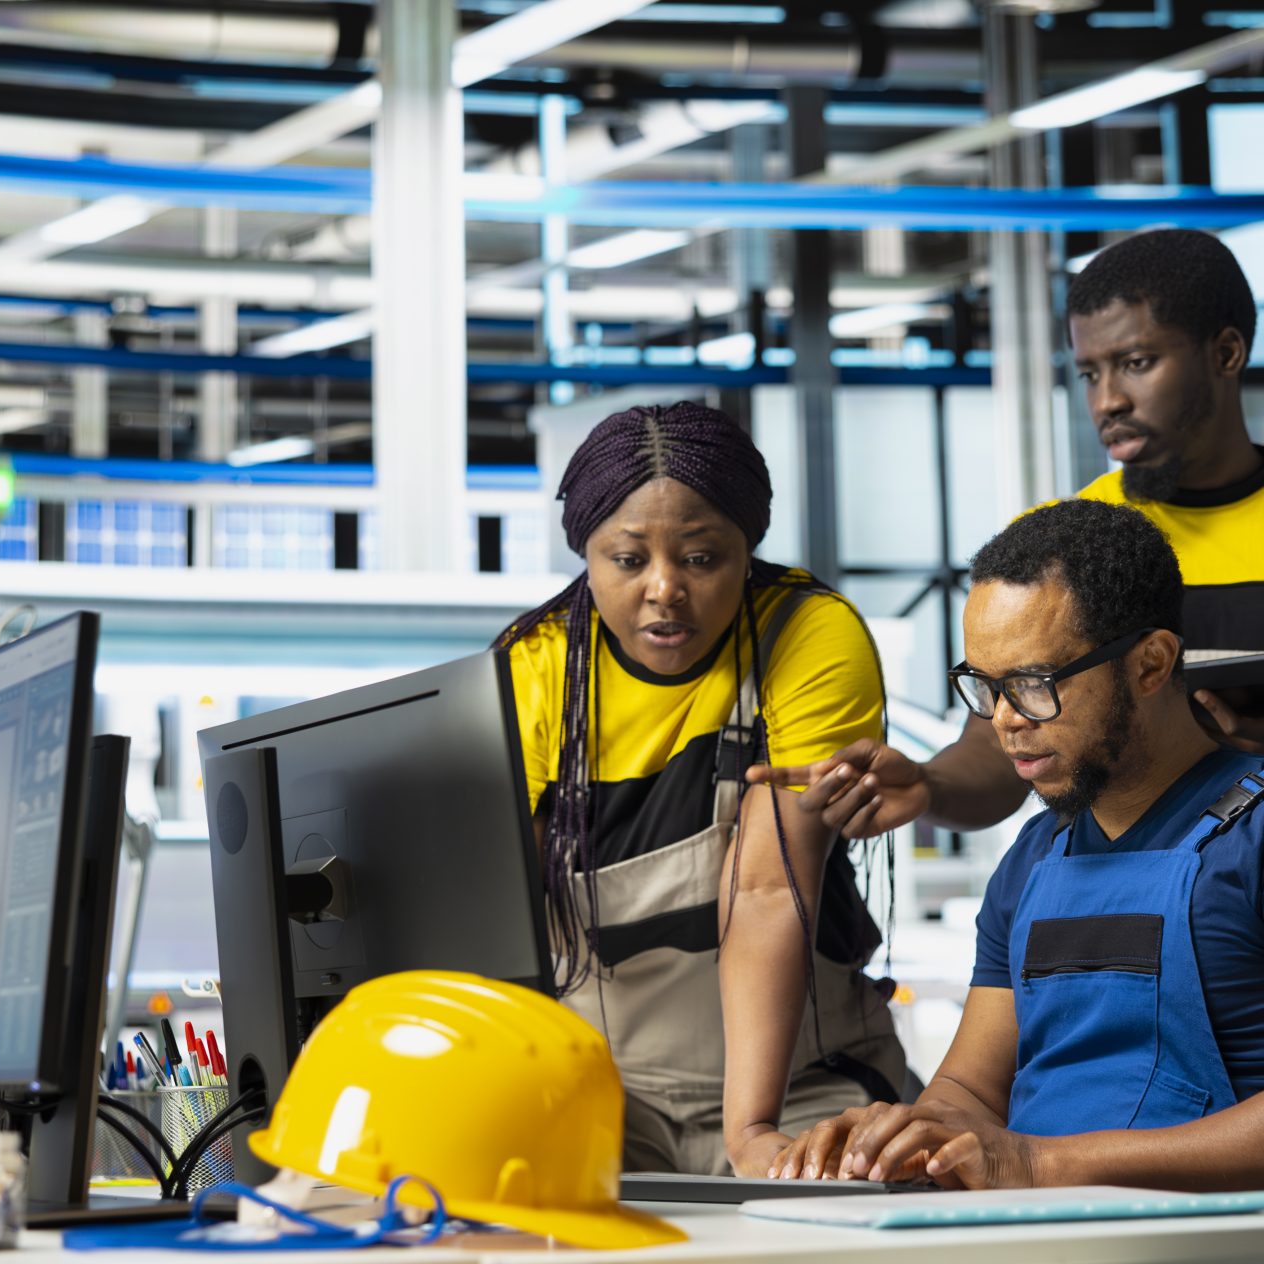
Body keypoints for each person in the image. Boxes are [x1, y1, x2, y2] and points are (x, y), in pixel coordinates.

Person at [768, 499, 1264, 1190]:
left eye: (1033, 684)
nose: (1003, 721)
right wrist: (895, 1136)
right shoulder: (1034, 860)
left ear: (1151, 665)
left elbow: (1021, 1157)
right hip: (1037, 1238)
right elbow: (967, 1093)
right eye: (985, 686)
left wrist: (1039, 1162)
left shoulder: (1253, 834)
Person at [493, 401, 905, 1178]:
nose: (665, 590)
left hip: (805, 1086)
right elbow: (500, 918)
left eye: (702, 558)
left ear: (747, 550)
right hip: (604, 1093)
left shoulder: (805, 635)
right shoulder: (538, 668)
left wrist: (751, 1131)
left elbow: (765, 892)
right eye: (627, 560)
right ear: (586, 553)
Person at [752, 227, 1264, 839]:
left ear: (1226, 353)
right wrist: (928, 787)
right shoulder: (1065, 550)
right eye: (1089, 375)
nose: (1108, 402)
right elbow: (1001, 744)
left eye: (1136, 364)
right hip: (1124, 888)